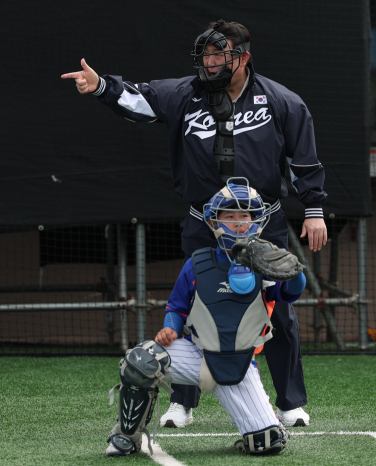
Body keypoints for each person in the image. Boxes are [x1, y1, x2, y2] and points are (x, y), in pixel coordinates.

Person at [61, 19, 327, 428]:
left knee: (279, 310)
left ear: (244, 58)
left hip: (263, 224)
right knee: (195, 309)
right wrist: (101, 86)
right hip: (204, 223)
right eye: (206, 54)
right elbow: (139, 99)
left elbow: (304, 159)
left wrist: (314, 210)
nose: (211, 61)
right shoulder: (185, 94)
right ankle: (182, 404)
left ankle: (290, 402)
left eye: (220, 54)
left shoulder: (281, 100)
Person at [105, 181, 306, 456]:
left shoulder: (266, 263)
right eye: (229, 216)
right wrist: (170, 329)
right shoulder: (196, 263)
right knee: (141, 361)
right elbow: (176, 308)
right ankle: (126, 436)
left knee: (267, 443)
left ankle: (266, 420)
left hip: (240, 364)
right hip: (196, 354)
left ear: (257, 220)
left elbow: (291, 294)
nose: (237, 223)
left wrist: (295, 272)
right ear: (213, 221)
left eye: (245, 216)